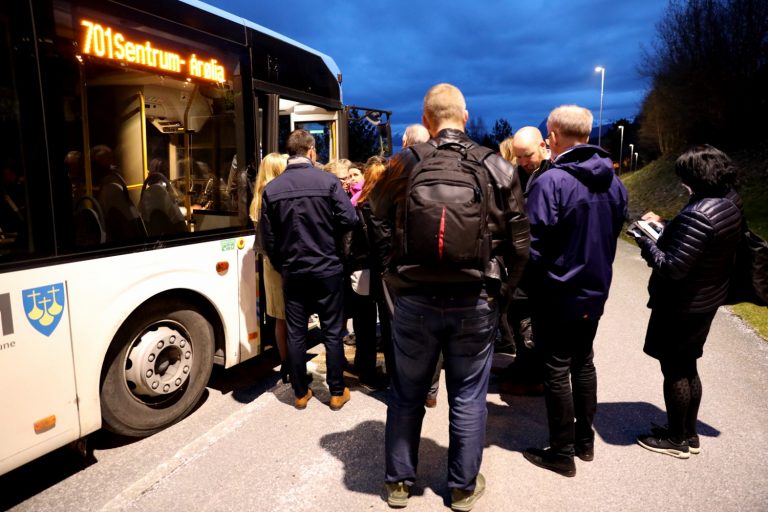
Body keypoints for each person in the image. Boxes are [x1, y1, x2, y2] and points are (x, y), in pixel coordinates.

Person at [371, 83, 529, 510]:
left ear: (426, 120)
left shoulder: (403, 163)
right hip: (475, 298)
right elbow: (520, 244)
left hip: (414, 297)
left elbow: (375, 217)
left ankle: (398, 484)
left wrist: (392, 273)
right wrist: (501, 296)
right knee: (469, 396)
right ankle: (461, 488)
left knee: (406, 392)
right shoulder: (497, 166)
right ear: (465, 116)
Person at [522, 105, 627, 477]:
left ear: (552, 136)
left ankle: (562, 452)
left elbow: (533, 245)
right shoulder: (615, 182)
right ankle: (584, 442)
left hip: (556, 291)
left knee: (556, 367)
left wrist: (526, 283)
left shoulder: (551, 181)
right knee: (583, 361)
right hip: (594, 289)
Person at [631, 145, 741, 458]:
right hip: (706, 299)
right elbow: (698, 243)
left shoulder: (698, 214)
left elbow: (672, 267)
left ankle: (676, 439)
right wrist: (666, 224)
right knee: (689, 366)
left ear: (696, 176)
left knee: (675, 370)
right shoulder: (729, 202)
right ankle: (689, 433)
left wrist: (645, 240)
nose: (681, 182)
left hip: (682, 304)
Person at [260, 130, 358, 411]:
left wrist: (282, 264)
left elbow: (268, 239)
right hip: (327, 268)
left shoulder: (272, 189)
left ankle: (301, 393)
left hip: (293, 271)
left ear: (290, 152)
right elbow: (350, 218)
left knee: (296, 332)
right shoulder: (327, 182)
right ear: (312, 151)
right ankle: (337, 392)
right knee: (332, 331)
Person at [250, 153, 290, 383]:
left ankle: (285, 362)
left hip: (268, 264)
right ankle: (290, 363)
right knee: (288, 316)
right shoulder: (275, 194)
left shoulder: (259, 194)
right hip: (280, 263)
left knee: (279, 318)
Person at [512, 126, 551, 194]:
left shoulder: (559, 170)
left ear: (542, 146)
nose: (523, 163)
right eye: (518, 157)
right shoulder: (516, 176)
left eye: (528, 155)